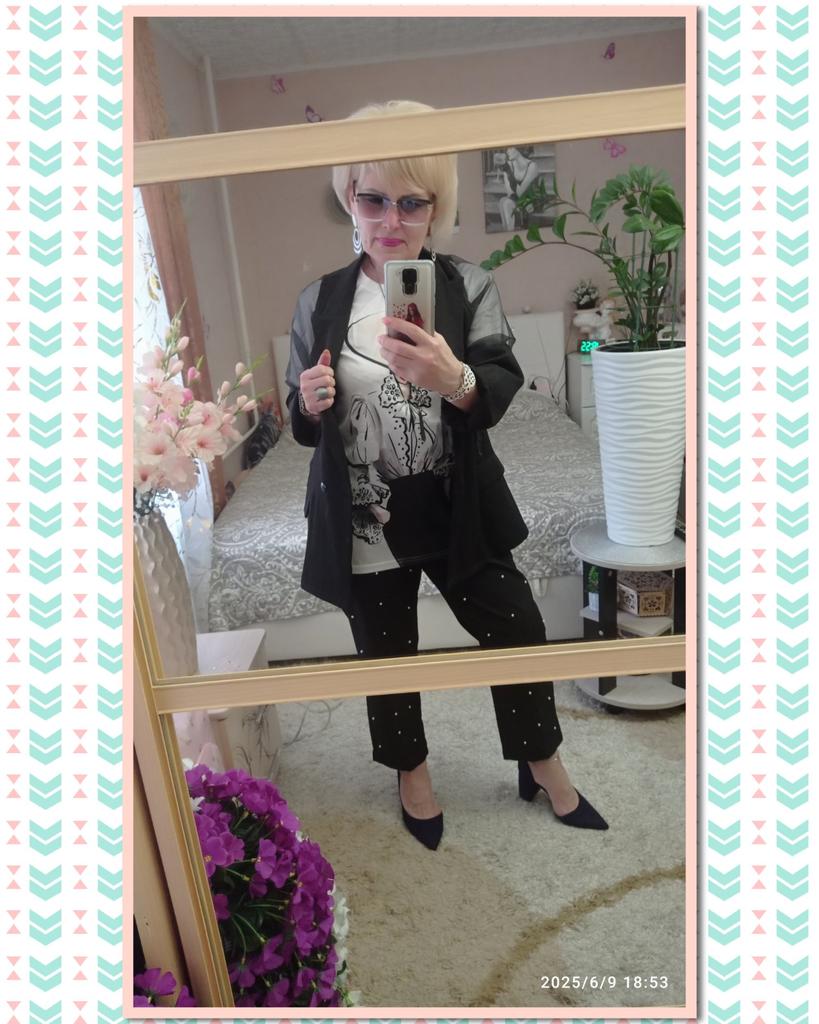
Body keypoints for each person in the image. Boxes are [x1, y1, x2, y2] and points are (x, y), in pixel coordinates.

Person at [285, 100, 607, 851]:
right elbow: (304, 425)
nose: (391, 220)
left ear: (436, 207)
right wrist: (308, 402)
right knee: (386, 650)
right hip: (365, 510)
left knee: (517, 627)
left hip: (458, 500)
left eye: (412, 202)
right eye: (374, 199)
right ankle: (412, 773)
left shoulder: (466, 285)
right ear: (349, 198)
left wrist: (452, 376)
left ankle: (541, 763)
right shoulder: (320, 301)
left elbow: (498, 386)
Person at [497, 145, 539, 232]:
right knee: (503, 202)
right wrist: (507, 171)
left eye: (510, 148)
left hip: (531, 200)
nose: (507, 151)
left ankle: (509, 232)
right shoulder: (509, 165)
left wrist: (508, 172)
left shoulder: (532, 166)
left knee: (506, 203)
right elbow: (510, 192)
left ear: (519, 148)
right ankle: (508, 233)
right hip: (517, 198)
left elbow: (520, 191)